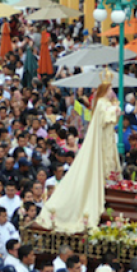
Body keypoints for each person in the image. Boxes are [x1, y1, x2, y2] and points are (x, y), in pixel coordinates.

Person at [36, 71, 121, 232]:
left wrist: (115, 109)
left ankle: (109, 179)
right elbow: (104, 118)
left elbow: (111, 118)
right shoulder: (102, 102)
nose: (112, 92)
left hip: (107, 139)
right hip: (101, 140)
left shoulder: (105, 102)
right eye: (110, 89)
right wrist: (114, 110)